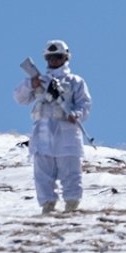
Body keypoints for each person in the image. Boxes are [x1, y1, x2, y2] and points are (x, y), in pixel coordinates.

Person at [14, 39, 92, 214]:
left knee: (71, 172)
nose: (54, 61)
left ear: (65, 58)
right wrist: (30, 85)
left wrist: (76, 114)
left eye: (57, 57)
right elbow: (20, 99)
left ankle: (71, 205)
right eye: (50, 58)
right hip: (43, 133)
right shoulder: (39, 80)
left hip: (67, 133)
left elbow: (84, 104)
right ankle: (47, 206)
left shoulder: (75, 81)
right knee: (42, 174)